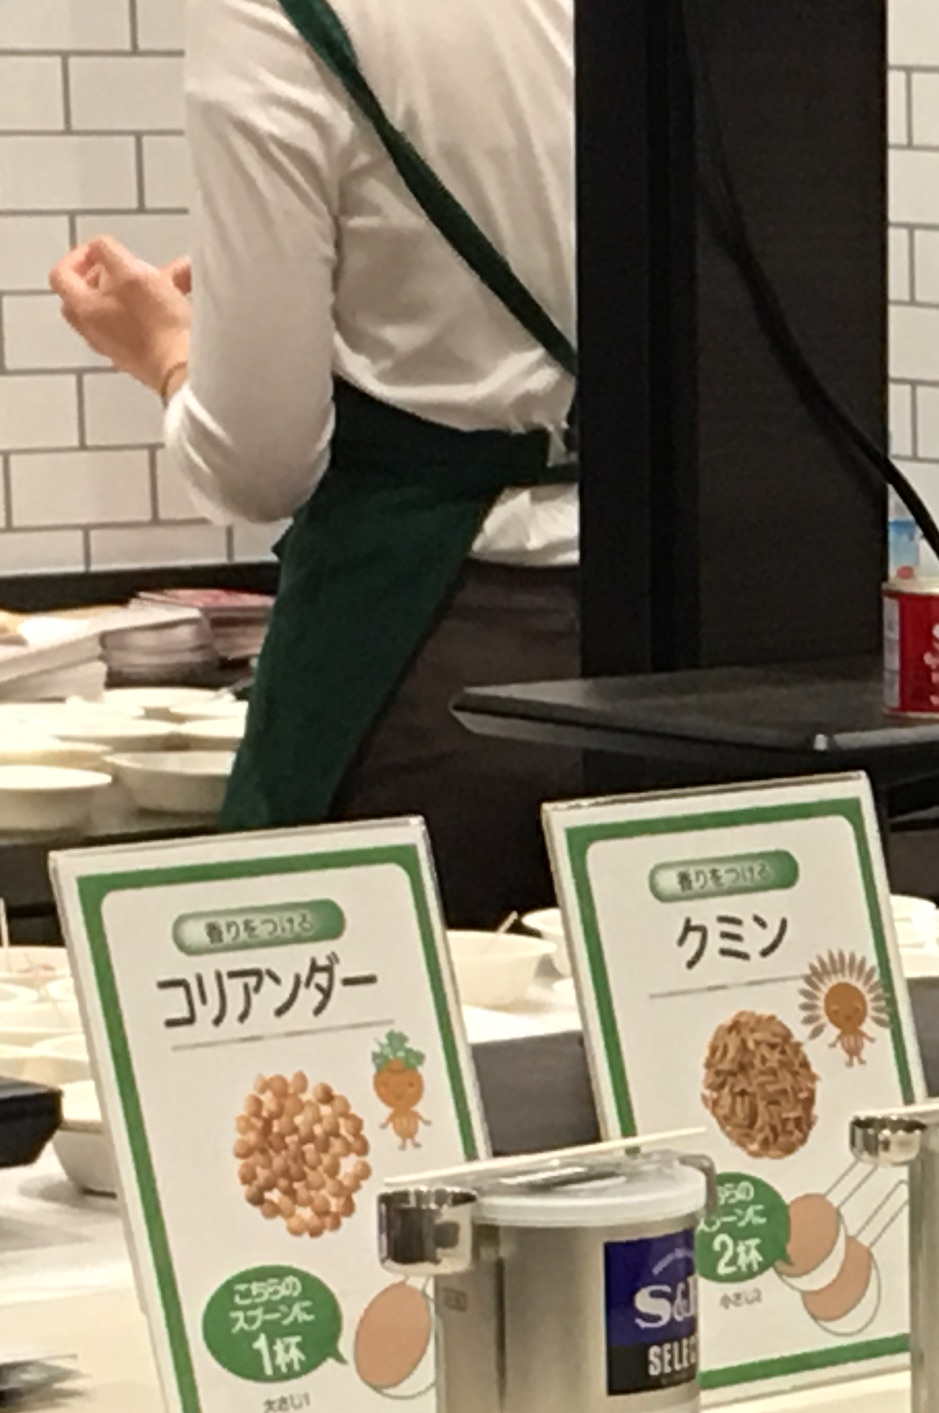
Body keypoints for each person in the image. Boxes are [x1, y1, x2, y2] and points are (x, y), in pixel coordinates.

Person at [51, 0, 579, 923]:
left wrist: (168, 354)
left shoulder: (267, 13)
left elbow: (258, 462)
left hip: (418, 661)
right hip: (689, 654)